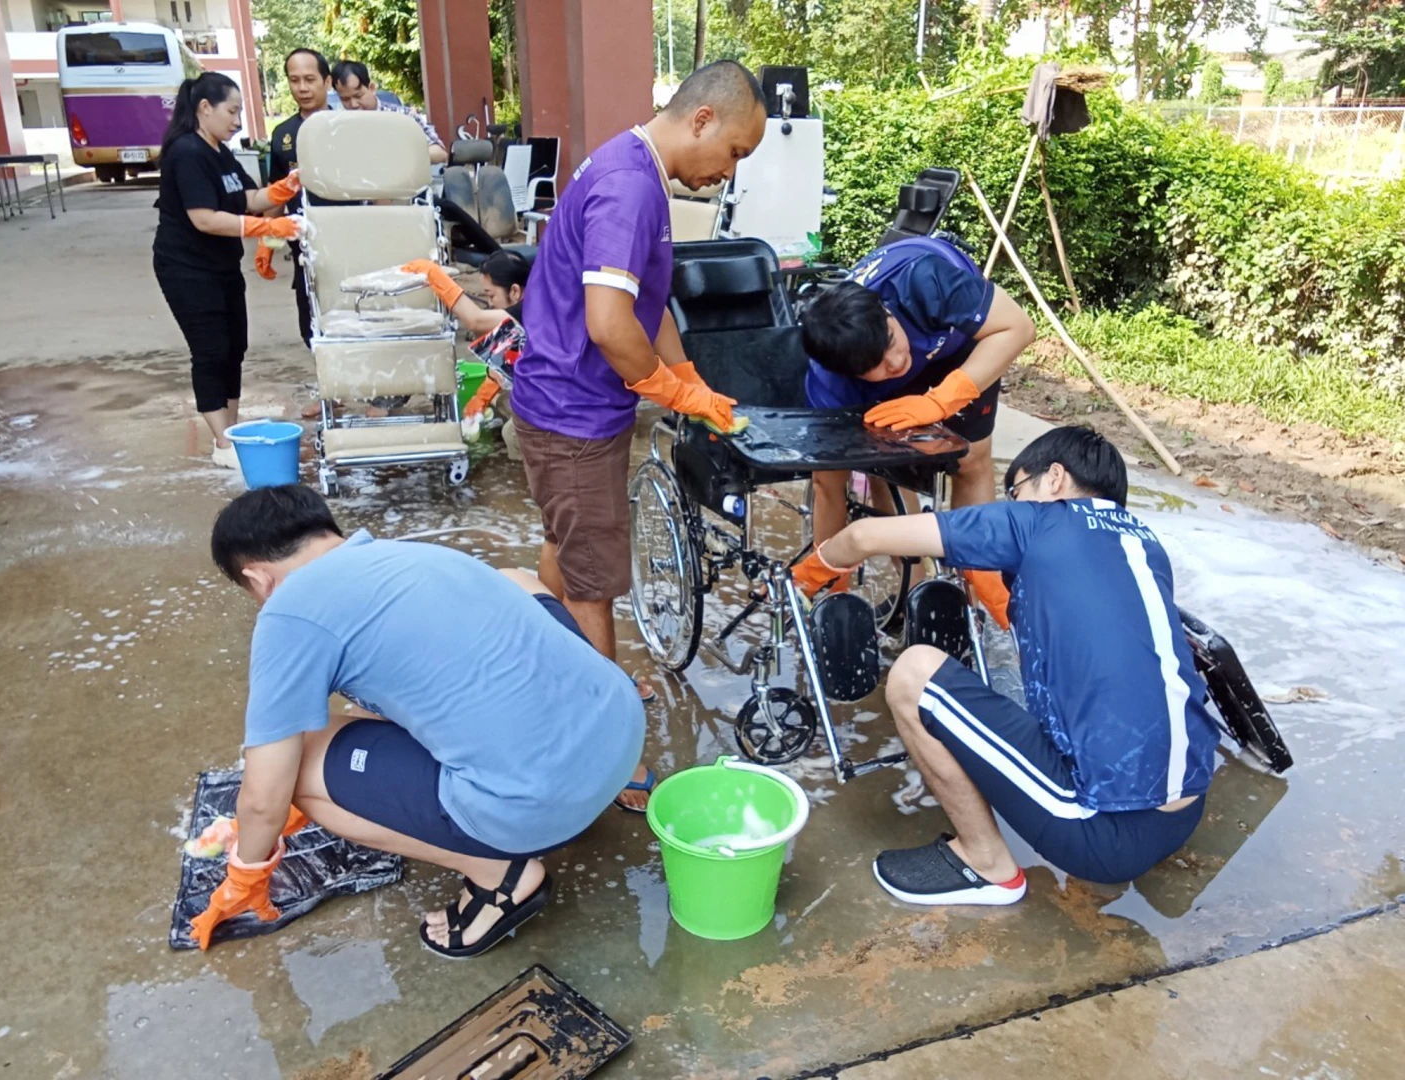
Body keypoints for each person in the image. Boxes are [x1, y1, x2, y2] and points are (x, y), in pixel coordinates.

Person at [189, 485, 645, 958]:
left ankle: (502, 880)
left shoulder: (287, 612)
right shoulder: (405, 555)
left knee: (296, 764)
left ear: (257, 578)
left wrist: (246, 874)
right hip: (621, 737)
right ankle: (587, 767)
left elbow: (264, 801)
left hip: (542, 806)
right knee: (516, 579)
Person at [790, 427, 1218, 906]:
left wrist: (806, 574)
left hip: (1103, 836)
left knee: (914, 672)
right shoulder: (1144, 545)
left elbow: (864, 534)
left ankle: (986, 864)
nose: (1015, 503)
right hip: (1186, 808)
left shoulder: (1038, 522)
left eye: (1016, 491)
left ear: (1054, 479)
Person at [508, 59, 766, 739]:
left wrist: (692, 381)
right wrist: (667, 389)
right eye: (736, 151)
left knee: (569, 547)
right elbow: (610, 324)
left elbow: (647, 303)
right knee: (594, 579)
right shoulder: (630, 187)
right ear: (702, 119)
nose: (730, 171)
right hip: (574, 416)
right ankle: (607, 735)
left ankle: (552, 664)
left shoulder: (638, 168)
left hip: (567, 404)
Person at [797, 236, 1037, 625]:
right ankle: (917, 592)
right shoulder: (830, 381)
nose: (896, 360)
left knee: (970, 459)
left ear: (887, 312)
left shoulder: (924, 281)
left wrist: (942, 400)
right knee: (882, 465)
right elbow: (828, 484)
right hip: (880, 387)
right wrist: (829, 571)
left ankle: (977, 598)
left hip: (964, 348)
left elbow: (1018, 328)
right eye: (878, 362)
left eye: (891, 340)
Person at [153, 72, 300, 470]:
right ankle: (222, 442)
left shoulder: (221, 151)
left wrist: (287, 187)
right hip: (186, 267)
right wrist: (267, 228)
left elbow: (248, 198)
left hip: (221, 264)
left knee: (235, 348)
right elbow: (203, 218)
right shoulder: (186, 153)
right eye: (232, 110)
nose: (237, 120)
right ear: (205, 108)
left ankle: (231, 431)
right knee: (211, 350)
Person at [263, 49, 333, 348]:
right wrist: (267, 242)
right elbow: (277, 195)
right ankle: (331, 394)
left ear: (327, 82)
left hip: (348, 234)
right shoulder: (282, 134)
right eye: (294, 80)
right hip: (304, 241)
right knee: (311, 318)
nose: (302, 88)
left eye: (309, 79)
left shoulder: (349, 124)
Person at [461, 250, 532, 448]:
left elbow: (475, 320)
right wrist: (481, 398)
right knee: (501, 400)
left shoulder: (534, 312)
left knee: (511, 434)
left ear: (515, 291)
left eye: (491, 295)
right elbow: (506, 358)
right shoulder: (530, 303)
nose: (490, 304)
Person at [330, 60, 449, 164]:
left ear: (371, 88)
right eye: (345, 99)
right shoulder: (337, 125)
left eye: (358, 96)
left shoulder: (404, 116)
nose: (353, 105)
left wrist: (397, 154)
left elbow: (439, 153)